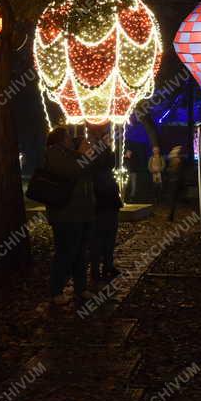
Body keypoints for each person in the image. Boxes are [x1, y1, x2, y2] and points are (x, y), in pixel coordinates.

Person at [43, 127, 99, 306]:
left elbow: (90, 170)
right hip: (65, 214)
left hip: (82, 213)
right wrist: (82, 155)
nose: (71, 138)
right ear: (59, 140)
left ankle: (80, 288)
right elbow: (71, 172)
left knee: (81, 253)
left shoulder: (72, 154)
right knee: (65, 253)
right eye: (68, 136)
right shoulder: (54, 154)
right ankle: (56, 291)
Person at [90, 131, 122, 281]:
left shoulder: (98, 169)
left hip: (104, 204)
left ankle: (102, 266)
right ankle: (102, 266)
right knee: (104, 236)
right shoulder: (100, 170)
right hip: (104, 204)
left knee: (103, 237)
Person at [166, 145, 186, 221]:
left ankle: (171, 216)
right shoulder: (175, 161)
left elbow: (178, 172)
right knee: (173, 199)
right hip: (174, 182)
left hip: (175, 182)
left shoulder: (177, 161)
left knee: (173, 199)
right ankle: (171, 215)